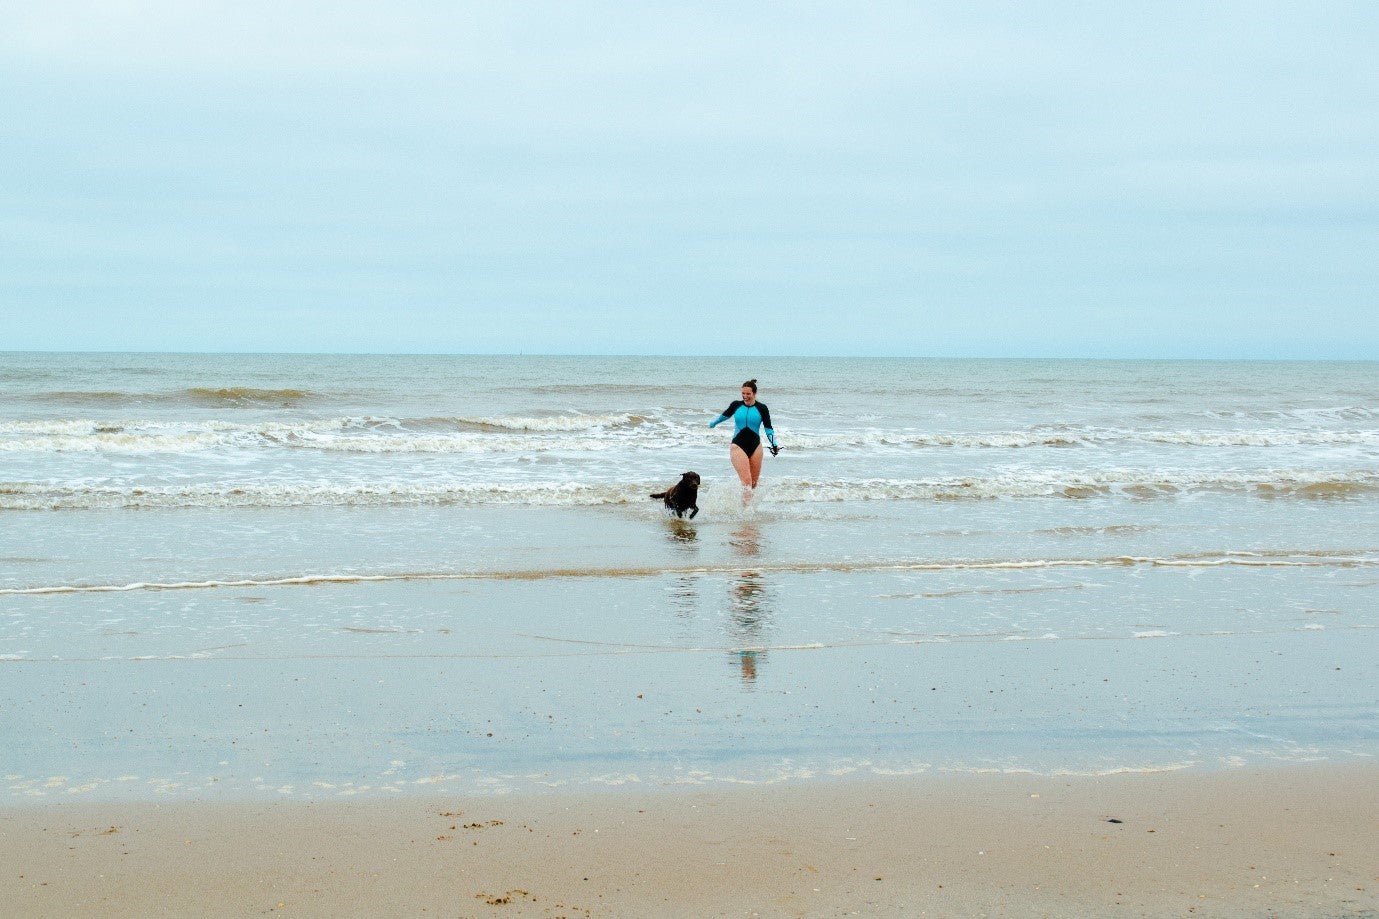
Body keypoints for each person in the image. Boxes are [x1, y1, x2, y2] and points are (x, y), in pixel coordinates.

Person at [709, 378, 779, 496]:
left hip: (756, 446)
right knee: (746, 483)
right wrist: (713, 423)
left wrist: (774, 444)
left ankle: (743, 506)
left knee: (753, 484)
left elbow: (768, 428)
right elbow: (724, 416)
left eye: (748, 394)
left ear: (754, 394)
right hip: (738, 445)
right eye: (743, 393)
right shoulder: (736, 405)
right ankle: (746, 513)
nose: (745, 396)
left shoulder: (762, 408)